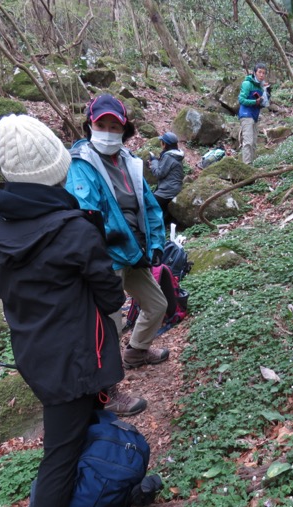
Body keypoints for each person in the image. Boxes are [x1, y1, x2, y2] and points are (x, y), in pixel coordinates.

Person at [0, 114, 123, 507]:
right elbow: (110, 292)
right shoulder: (72, 230)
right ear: (55, 170)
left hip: (36, 354)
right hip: (76, 358)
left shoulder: (1, 231)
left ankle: (109, 485)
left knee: (82, 427)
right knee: (61, 449)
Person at [66, 94, 170, 371]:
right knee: (111, 320)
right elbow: (88, 217)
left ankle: (136, 352)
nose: (109, 133)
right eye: (103, 126)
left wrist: (156, 244)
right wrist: (124, 248)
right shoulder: (80, 164)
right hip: (107, 257)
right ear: (90, 126)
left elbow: (149, 205)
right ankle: (108, 383)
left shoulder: (129, 161)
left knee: (157, 304)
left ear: (125, 130)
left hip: (135, 251)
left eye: (115, 127)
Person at [238, 62, 270, 164]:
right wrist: (254, 101)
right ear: (255, 73)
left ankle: (251, 166)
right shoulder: (247, 84)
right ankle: (246, 167)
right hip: (246, 115)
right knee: (248, 142)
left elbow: (263, 104)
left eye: (264, 73)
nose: (261, 75)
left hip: (255, 116)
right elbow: (241, 100)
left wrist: (267, 95)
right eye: (259, 72)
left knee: (254, 143)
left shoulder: (261, 87)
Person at [149, 131, 185, 217]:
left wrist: (154, 161)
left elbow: (159, 174)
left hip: (167, 191)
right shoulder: (175, 155)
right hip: (174, 189)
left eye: (162, 142)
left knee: (148, 205)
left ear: (164, 144)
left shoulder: (169, 156)